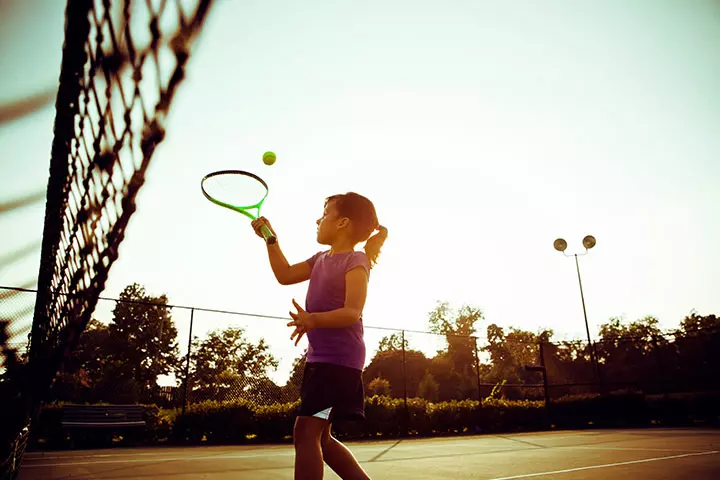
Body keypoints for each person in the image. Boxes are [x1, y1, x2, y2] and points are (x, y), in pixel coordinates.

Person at [252, 192, 387, 480]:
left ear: (343, 223)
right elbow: (285, 275)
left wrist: (313, 319)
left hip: (338, 362)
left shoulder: (356, 260)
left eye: (325, 214)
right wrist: (270, 240)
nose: (318, 219)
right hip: (322, 361)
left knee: (305, 432)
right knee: (321, 439)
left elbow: (352, 311)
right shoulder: (320, 259)